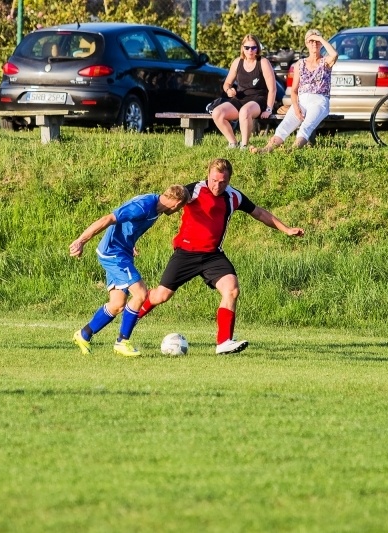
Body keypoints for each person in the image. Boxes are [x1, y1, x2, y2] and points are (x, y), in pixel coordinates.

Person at [133, 158, 304, 354]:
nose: (217, 185)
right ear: (208, 175)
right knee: (161, 296)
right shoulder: (193, 191)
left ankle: (224, 342)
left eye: (222, 182)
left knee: (231, 289)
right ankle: (129, 320)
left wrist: (286, 229)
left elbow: (259, 213)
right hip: (185, 254)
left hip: (212, 256)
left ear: (229, 180)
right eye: (214, 180)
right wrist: (132, 239)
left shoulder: (233, 196)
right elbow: (158, 208)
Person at [69, 185, 189, 357]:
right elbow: (107, 219)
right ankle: (122, 341)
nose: (178, 211)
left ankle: (84, 334)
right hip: (113, 254)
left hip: (122, 252)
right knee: (140, 293)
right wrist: (81, 241)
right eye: (180, 208)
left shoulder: (156, 207)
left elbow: (129, 226)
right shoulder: (142, 206)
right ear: (176, 203)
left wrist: (130, 243)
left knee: (117, 304)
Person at [250, 29, 338, 154]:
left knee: (306, 127)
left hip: (319, 100)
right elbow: (294, 90)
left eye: (317, 41)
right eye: (311, 41)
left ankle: (292, 151)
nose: (314, 43)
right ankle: (265, 149)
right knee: (284, 126)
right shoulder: (299, 64)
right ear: (306, 43)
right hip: (301, 100)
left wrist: (321, 39)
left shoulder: (325, 62)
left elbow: (334, 54)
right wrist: (296, 107)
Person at [211, 34, 277, 149]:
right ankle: (232, 143)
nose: (250, 51)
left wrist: (268, 109)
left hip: (258, 99)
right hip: (240, 98)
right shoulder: (237, 62)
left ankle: (244, 145)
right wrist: (228, 90)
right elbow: (227, 83)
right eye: (247, 47)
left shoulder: (263, 62)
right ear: (242, 48)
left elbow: (272, 89)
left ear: (258, 48)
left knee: (245, 111)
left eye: (253, 47)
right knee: (217, 113)